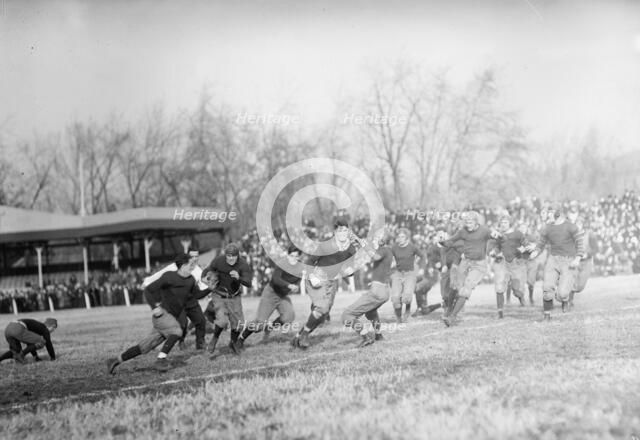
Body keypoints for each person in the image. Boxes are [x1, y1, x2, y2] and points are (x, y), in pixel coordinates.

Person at [106, 254, 214, 374]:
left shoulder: (191, 280)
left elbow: (197, 295)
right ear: (183, 266)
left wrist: (210, 288)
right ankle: (161, 360)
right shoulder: (169, 276)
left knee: (145, 347)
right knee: (177, 331)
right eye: (190, 264)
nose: (193, 266)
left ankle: (115, 360)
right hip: (162, 315)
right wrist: (153, 307)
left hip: (171, 318)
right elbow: (148, 290)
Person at [291, 217, 357, 349]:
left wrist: (350, 272)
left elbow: (347, 268)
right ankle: (304, 335)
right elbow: (309, 262)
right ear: (335, 232)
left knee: (322, 315)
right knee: (322, 309)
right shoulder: (326, 246)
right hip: (317, 277)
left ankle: (299, 336)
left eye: (345, 231)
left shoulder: (350, 249)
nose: (342, 233)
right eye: (340, 231)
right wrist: (311, 276)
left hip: (331, 281)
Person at [439, 211, 501, 327]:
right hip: (465, 262)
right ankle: (448, 310)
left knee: (465, 290)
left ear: (476, 222)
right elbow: (451, 241)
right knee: (455, 287)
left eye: (470, 222)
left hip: (479, 265)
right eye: (466, 222)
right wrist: (442, 242)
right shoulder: (463, 231)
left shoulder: (484, 231)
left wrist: (499, 236)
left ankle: (452, 317)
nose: (468, 225)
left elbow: (500, 239)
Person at [235, 245, 302, 350]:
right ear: (287, 256)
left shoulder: (299, 267)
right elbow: (275, 279)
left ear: (299, 257)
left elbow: (298, 281)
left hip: (282, 296)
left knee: (289, 316)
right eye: (291, 256)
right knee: (259, 324)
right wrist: (289, 285)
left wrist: (296, 287)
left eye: (296, 256)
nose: (293, 259)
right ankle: (241, 339)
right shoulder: (282, 264)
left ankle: (270, 326)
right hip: (271, 293)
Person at [526, 203, 585, 320]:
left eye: (550, 212)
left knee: (562, 294)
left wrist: (578, 258)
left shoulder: (571, 227)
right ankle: (547, 315)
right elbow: (541, 244)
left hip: (568, 260)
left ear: (558, 213)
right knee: (547, 287)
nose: (548, 215)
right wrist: (536, 252)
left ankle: (565, 299)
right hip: (553, 259)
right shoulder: (547, 227)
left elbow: (579, 243)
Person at [142, 249, 209, 350]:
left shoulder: (198, 270)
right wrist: (147, 281)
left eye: (197, 256)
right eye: (192, 256)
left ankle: (200, 343)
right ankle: (180, 342)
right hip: (178, 302)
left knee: (201, 321)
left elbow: (202, 286)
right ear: (188, 257)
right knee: (182, 323)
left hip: (191, 301)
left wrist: (210, 288)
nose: (195, 258)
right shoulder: (174, 267)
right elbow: (160, 274)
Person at [341, 229, 393, 347]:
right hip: (383, 291)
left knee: (347, 315)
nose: (374, 238)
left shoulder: (384, 250)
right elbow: (370, 255)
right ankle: (378, 335)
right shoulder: (387, 250)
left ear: (383, 239)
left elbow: (375, 257)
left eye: (377, 236)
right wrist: (359, 244)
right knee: (371, 312)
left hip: (378, 291)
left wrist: (362, 243)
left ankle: (366, 336)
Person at [202, 244, 253, 355]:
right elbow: (208, 269)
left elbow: (249, 283)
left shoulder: (243, 264)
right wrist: (203, 278)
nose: (230, 258)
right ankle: (214, 339)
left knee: (238, 324)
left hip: (234, 296)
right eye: (228, 256)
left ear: (238, 256)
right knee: (222, 321)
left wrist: (239, 278)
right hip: (219, 295)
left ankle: (233, 343)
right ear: (225, 255)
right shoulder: (219, 260)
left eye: (233, 256)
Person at [489, 216, 528, 319]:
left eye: (505, 222)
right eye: (502, 222)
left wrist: (523, 249)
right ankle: (500, 312)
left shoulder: (518, 234)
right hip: (503, 263)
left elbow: (526, 244)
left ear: (510, 223)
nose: (503, 224)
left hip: (516, 263)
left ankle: (520, 296)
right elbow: (498, 247)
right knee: (499, 287)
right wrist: (494, 252)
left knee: (517, 290)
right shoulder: (500, 236)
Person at [390, 228, 424, 322]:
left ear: (407, 238)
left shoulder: (412, 247)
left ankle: (407, 313)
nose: (400, 239)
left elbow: (423, 256)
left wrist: (421, 268)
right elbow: (387, 257)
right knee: (396, 298)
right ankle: (398, 318)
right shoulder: (394, 247)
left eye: (402, 237)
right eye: (399, 237)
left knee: (407, 297)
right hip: (397, 274)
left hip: (410, 274)